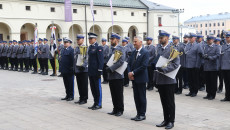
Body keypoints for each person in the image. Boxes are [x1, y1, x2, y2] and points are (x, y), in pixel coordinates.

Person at [154, 30, 180, 129]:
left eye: (162, 37)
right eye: (159, 37)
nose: (160, 39)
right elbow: (157, 64)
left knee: (170, 102)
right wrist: (155, 79)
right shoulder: (159, 49)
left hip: (169, 79)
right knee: (163, 101)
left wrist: (165, 69)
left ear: (167, 38)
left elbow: (175, 64)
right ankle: (165, 119)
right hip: (160, 79)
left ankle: (171, 121)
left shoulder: (173, 49)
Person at [128, 36, 149, 121]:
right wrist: (129, 73)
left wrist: (133, 72)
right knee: (136, 97)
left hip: (141, 78)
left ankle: (142, 114)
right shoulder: (133, 52)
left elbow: (144, 66)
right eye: (133, 41)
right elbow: (129, 63)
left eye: (136, 41)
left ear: (141, 42)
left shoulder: (145, 52)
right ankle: (138, 113)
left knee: (141, 96)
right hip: (134, 78)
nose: (134, 43)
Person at [106, 33, 125, 116]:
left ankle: (120, 109)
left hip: (118, 75)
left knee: (118, 93)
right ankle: (115, 108)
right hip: (111, 75)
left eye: (112, 39)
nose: (111, 40)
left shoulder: (121, 49)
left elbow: (121, 61)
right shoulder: (110, 49)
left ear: (117, 40)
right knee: (113, 93)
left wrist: (111, 68)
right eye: (110, 39)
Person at [87, 32, 104, 110]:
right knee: (93, 88)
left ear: (95, 39)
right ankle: (95, 102)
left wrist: (100, 71)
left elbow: (101, 60)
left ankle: (99, 103)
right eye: (89, 39)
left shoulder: (99, 47)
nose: (89, 40)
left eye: (91, 39)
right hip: (91, 71)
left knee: (97, 88)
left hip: (96, 71)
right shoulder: (90, 47)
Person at [185, 33, 203, 97]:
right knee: (190, 79)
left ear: (194, 38)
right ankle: (191, 90)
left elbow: (199, 56)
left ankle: (195, 91)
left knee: (195, 79)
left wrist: (197, 65)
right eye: (189, 38)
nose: (189, 39)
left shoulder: (198, 45)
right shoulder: (188, 45)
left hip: (194, 65)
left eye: (191, 38)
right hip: (188, 64)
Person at [202, 35, 220, 100]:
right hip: (206, 66)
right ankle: (208, 93)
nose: (208, 41)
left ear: (212, 40)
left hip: (213, 67)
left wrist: (210, 57)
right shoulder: (205, 47)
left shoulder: (216, 47)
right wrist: (204, 56)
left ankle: (213, 94)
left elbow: (218, 56)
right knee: (207, 81)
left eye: (209, 40)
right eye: (207, 40)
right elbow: (203, 53)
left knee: (213, 82)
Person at [73, 35, 89, 105]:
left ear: (82, 40)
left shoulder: (85, 47)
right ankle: (81, 97)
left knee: (84, 85)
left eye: (79, 39)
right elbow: (75, 58)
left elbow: (87, 58)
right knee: (79, 84)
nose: (77, 41)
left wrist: (84, 65)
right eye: (77, 40)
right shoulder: (77, 48)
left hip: (83, 69)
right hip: (77, 69)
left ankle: (84, 99)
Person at [220, 32, 230, 102]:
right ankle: (227, 97)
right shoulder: (223, 46)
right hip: (224, 67)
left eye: (228, 37)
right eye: (226, 37)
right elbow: (221, 56)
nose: (226, 38)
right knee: (226, 83)